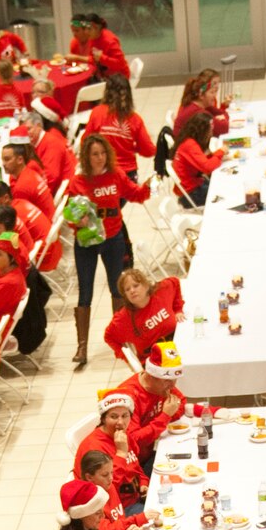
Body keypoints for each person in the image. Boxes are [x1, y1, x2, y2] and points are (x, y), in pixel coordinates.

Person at [65, 133, 148, 365]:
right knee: (85, 292)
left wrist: (148, 187)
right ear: (86, 157)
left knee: (117, 289)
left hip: (113, 237)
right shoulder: (78, 181)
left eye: (103, 153)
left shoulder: (115, 175)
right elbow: (69, 213)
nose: (100, 158)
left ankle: (122, 340)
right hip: (87, 242)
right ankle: (82, 348)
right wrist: (76, 222)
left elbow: (135, 194)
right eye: (94, 154)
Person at [102, 267, 183, 365]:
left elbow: (175, 282)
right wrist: (129, 359)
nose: (132, 291)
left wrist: (178, 309)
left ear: (146, 286)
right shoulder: (123, 318)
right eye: (127, 289)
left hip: (179, 346)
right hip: (154, 361)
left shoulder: (160, 292)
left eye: (136, 286)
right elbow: (109, 336)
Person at [82, 75, 154, 178]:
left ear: (106, 92)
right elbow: (149, 150)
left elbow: (85, 142)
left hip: (102, 172)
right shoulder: (135, 119)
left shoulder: (97, 113)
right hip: (127, 173)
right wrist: (133, 147)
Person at [172, 111, 222, 206]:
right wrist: (220, 152)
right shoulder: (190, 145)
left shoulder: (189, 141)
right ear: (202, 131)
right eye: (210, 131)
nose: (211, 134)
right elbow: (207, 167)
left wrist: (215, 156)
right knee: (224, 191)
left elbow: (203, 161)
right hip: (191, 193)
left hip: (193, 186)